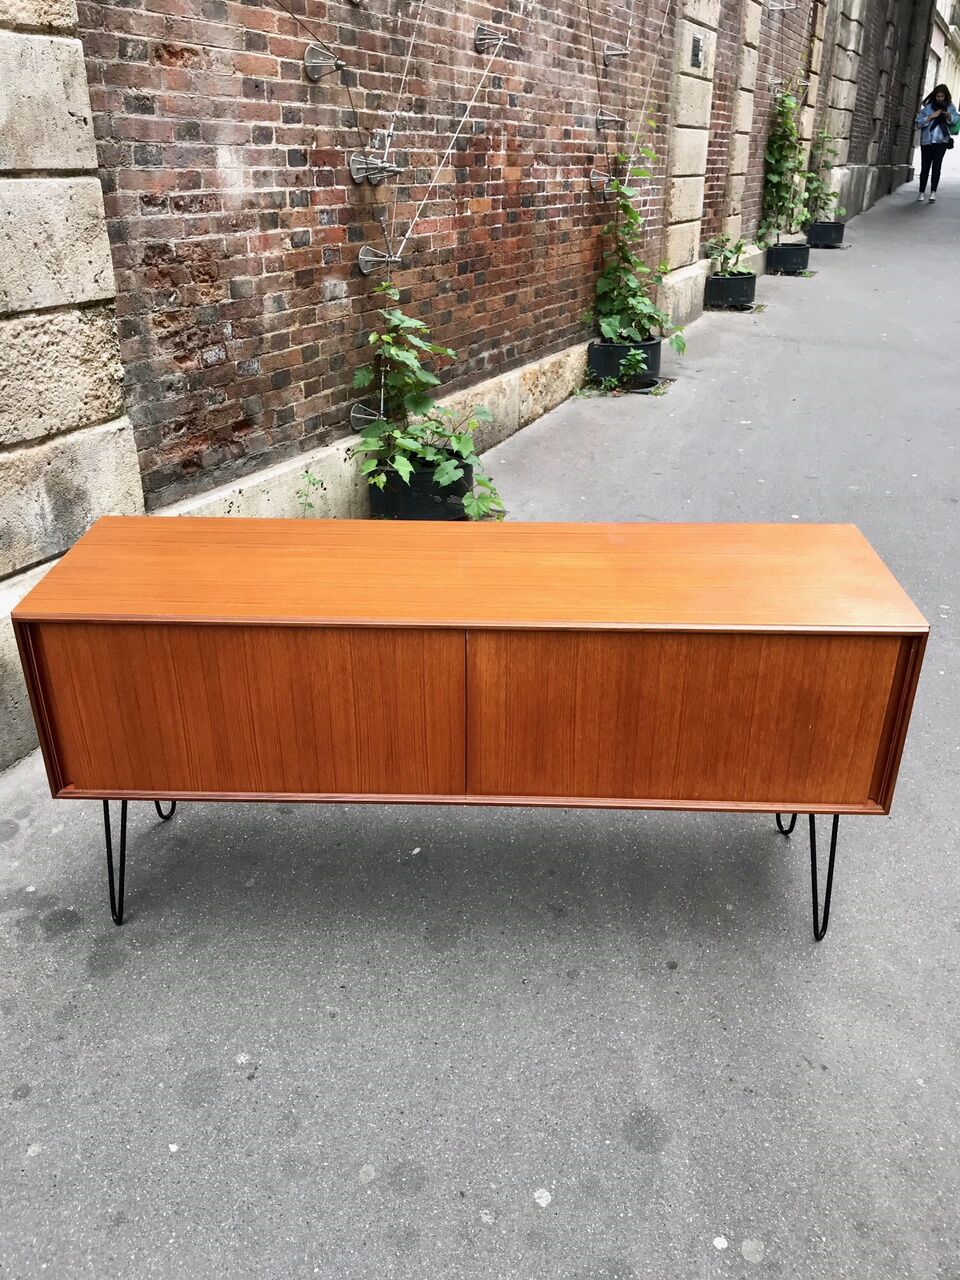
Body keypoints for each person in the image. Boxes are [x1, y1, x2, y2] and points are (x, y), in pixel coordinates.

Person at [916, 84, 959, 202]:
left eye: (942, 96)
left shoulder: (950, 107)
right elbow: (918, 123)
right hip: (927, 141)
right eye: (938, 96)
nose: (940, 98)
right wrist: (930, 117)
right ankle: (921, 192)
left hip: (942, 141)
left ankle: (933, 192)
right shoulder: (928, 107)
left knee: (936, 167)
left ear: (946, 96)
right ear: (934, 96)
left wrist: (949, 116)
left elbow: (955, 120)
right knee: (925, 167)